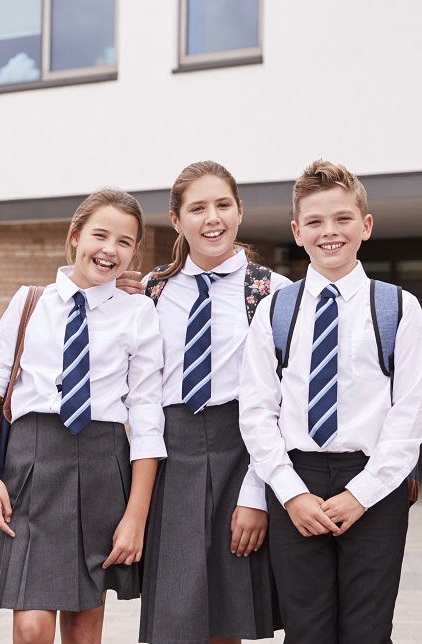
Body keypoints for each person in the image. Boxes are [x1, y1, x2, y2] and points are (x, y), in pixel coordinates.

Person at [239, 160, 422, 643]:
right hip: (296, 481)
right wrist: (290, 492)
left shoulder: (399, 308)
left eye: (342, 219)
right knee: (306, 631)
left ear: (365, 226)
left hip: (375, 484)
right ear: (298, 232)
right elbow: (257, 412)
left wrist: (362, 495)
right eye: (315, 222)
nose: (330, 232)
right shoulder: (275, 311)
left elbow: (409, 415)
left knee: (367, 630)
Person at [0, 189, 164, 644]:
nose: (109, 249)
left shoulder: (138, 312)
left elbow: (147, 414)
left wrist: (136, 514)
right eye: (100, 235)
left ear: (135, 251)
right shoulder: (28, 302)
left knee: (83, 628)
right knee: (32, 627)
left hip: (103, 465)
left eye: (124, 242)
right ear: (75, 236)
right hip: (33, 464)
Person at [137, 161, 284, 643]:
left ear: (240, 211)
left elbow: (281, 403)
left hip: (241, 451)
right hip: (171, 455)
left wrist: (257, 493)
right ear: (177, 221)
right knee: (174, 617)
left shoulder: (273, 293)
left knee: (228, 617)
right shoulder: (149, 290)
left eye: (223, 205)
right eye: (197, 208)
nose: (212, 218)